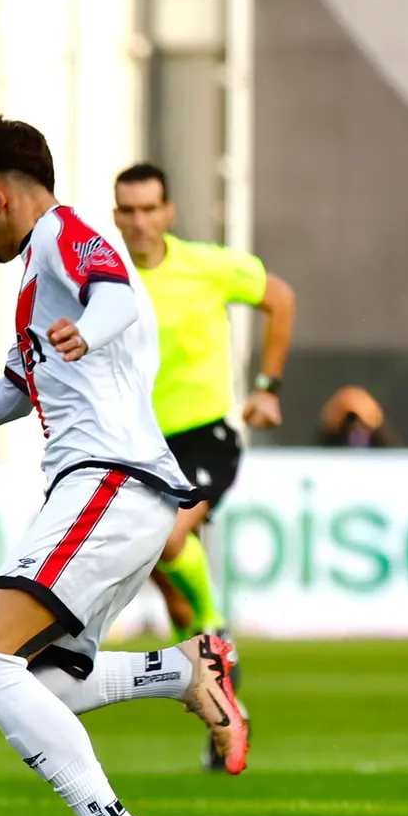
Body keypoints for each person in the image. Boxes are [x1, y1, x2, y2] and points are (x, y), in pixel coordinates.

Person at [0, 113, 249, 816]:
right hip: (110, 494)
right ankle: (181, 667)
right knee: (7, 682)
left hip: (109, 480)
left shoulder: (67, 234)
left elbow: (119, 296)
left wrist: (85, 335)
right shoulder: (36, 275)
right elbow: (14, 390)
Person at [112, 161, 295, 769]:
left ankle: (214, 654)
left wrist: (268, 386)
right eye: (127, 211)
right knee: (177, 600)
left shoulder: (209, 267)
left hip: (206, 436)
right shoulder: (105, 279)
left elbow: (280, 298)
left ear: (168, 213)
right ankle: (218, 680)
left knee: (167, 539)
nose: (138, 222)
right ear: (116, 216)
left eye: (148, 210)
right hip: (140, 445)